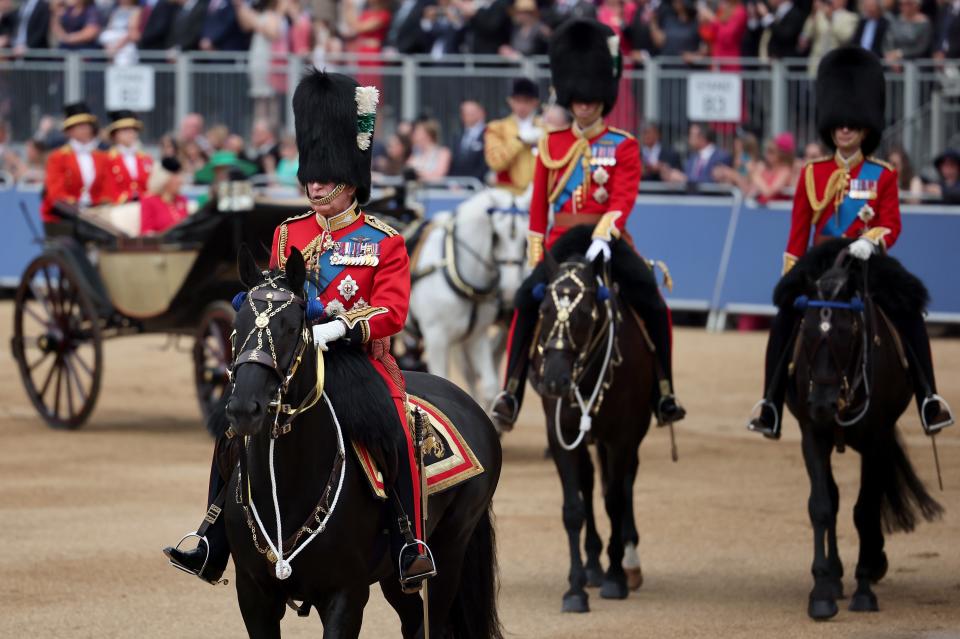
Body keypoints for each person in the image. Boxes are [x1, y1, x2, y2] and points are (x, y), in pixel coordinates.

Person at [165, 70, 437, 593]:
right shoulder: (289, 232)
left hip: (356, 361)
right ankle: (213, 536)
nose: (313, 186)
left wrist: (337, 329)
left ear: (350, 180)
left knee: (394, 425)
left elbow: (392, 313)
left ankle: (410, 540)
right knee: (233, 424)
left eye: (324, 178)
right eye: (309, 178)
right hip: (292, 361)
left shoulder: (384, 240)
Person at [490, 19, 686, 432]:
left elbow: (623, 197)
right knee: (527, 301)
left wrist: (605, 234)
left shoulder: (623, 145)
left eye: (591, 98)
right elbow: (540, 208)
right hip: (562, 242)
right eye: (578, 98)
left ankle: (664, 391)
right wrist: (538, 252)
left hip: (605, 239)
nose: (584, 104)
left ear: (603, 97)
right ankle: (511, 391)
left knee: (652, 301)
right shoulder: (551, 143)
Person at [748, 47, 954, 439]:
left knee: (910, 310)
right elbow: (798, 231)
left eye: (852, 125)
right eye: (839, 124)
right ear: (830, 127)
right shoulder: (812, 173)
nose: (845, 130)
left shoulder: (883, 174)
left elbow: (892, 224)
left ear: (865, 128)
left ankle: (928, 397)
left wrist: (871, 241)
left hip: (866, 258)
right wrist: (792, 275)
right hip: (820, 260)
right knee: (785, 321)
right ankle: (771, 402)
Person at [41, 102, 110, 224]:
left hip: (97, 214)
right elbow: (55, 193)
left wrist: (101, 207)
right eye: (78, 126)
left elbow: (107, 187)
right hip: (65, 215)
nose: (83, 130)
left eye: (86, 126)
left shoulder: (103, 157)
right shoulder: (57, 157)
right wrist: (78, 210)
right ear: (69, 131)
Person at [483, 77, 542, 194]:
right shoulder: (497, 128)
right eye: (518, 100)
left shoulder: (546, 128)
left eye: (527, 101)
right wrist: (519, 140)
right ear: (510, 101)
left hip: (539, 193)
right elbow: (495, 163)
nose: (522, 106)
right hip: (507, 194)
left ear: (535, 102)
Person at [104, 110, 153, 204]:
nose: (131, 133)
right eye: (125, 130)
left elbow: (152, 186)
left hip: (143, 206)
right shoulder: (108, 159)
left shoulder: (146, 158)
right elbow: (108, 188)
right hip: (117, 208)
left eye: (133, 130)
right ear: (114, 134)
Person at [799, 0, 858, 77]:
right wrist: (814, 13)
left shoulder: (851, 17)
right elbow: (806, 35)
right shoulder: (820, 14)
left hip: (837, 63)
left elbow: (845, 38)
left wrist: (831, 19)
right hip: (817, 63)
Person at [665, 122, 732, 185]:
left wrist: (685, 179)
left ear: (702, 138)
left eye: (691, 135)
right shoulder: (692, 158)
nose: (689, 139)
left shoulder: (721, 157)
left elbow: (714, 182)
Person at [140, 156, 188, 234]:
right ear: (164, 179)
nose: (181, 181)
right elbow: (147, 232)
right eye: (176, 176)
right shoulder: (149, 202)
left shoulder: (182, 200)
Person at [98, 0, 141, 65]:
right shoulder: (115, 11)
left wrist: (116, 48)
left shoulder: (136, 10)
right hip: (112, 45)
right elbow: (109, 29)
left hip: (126, 46)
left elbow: (132, 32)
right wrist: (109, 49)